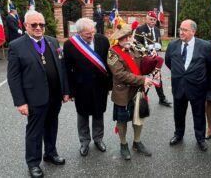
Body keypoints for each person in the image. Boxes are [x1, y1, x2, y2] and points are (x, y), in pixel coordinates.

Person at [7, 10, 70, 178]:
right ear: (26, 25)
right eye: (34, 25)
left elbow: (61, 68)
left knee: (52, 126)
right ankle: (33, 163)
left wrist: (65, 91)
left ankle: (50, 153)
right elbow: (13, 77)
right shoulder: (16, 46)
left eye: (41, 24)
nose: (38, 28)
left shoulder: (53, 42)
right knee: (34, 132)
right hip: (34, 98)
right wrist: (20, 102)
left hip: (55, 96)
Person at [63, 18, 112, 157]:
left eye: (93, 32)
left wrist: (110, 85)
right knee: (82, 114)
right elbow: (67, 70)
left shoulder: (103, 40)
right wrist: (69, 91)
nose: (91, 36)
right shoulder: (69, 45)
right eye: (87, 34)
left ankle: (98, 139)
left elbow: (108, 65)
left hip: (100, 86)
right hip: (81, 87)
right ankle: (84, 141)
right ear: (79, 33)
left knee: (99, 113)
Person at [107, 24, 154, 160]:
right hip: (123, 92)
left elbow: (144, 64)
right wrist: (142, 80)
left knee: (139, 118)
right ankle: (123, 144)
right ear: (119, 39)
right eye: (124, 37)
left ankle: (137, 142)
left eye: (129, 36)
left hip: (138, 90)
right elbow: (120, 74)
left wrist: (153, 64)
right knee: (122, 121)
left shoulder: (135, 48)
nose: (127, 39)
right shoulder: (112, 53)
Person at [165, 19, 211, 152]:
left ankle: (200, 138)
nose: (181, 32)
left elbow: (210, 64)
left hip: (197, 87)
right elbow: (169, 62)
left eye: (185, 30)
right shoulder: (172, 45)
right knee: (178, 113)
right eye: (180, 29)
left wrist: (198, 76)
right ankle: (178, 134)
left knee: (199, 114)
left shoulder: (205, 46)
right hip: (179, 85)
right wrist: (179, 73)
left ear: (193, 31)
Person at [135, 11, 172, 107]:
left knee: (157, 77)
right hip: (144, 58)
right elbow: (136, 44)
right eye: (151, 19)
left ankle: (162, 98)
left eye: (154, 20)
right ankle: (142, 98)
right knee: (145, 78)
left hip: (155, 58)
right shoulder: (140, 29)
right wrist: (147, 49)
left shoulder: (156, 29)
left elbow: (158, 43)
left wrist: (156, 49)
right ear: (146, 19)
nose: (152, 21)